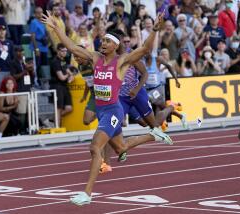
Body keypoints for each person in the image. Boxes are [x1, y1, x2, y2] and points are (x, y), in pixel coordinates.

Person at [42, 11, 172, 205]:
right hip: (102, 110)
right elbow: (71, 47)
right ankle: (154, 135)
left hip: (113, 111)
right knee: (121, 147)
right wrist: (56, 28)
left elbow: (144, 49)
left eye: (107, 41)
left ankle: (87, 194)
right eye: (101, 40)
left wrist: (154, 30)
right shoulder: (95, 58)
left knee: (95, 148)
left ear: (115, 46)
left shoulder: (121, 62)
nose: (102, 43)